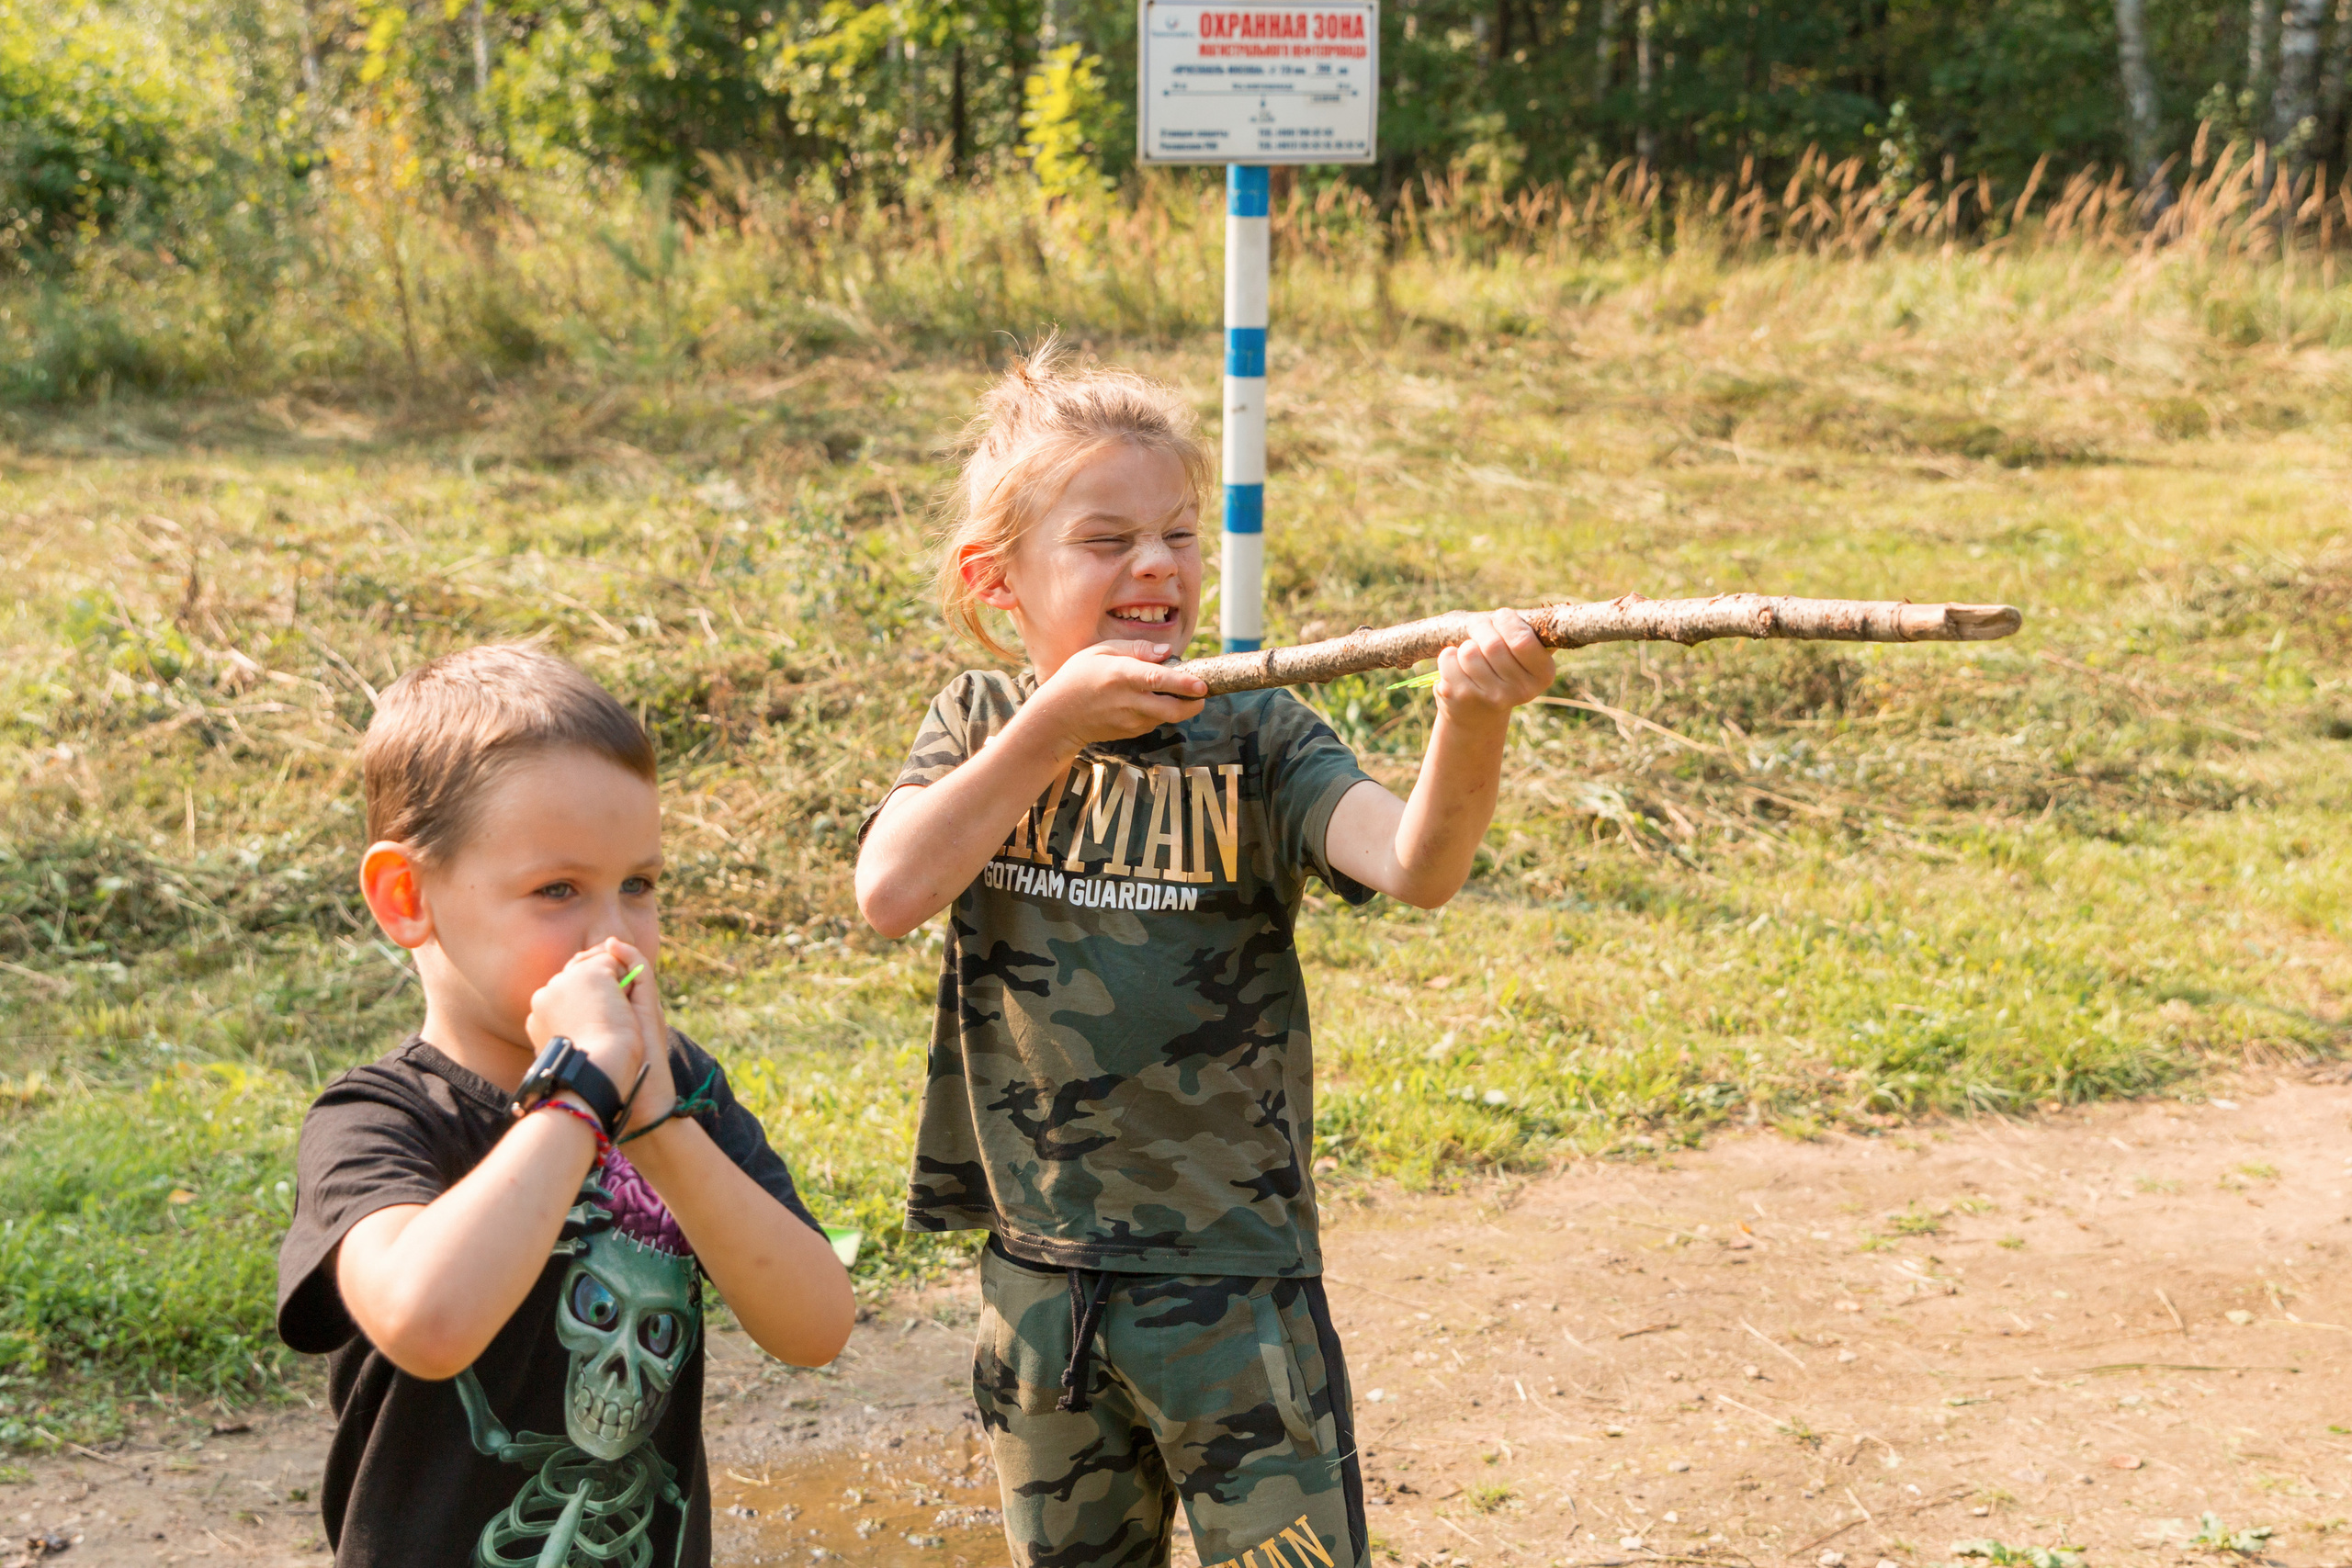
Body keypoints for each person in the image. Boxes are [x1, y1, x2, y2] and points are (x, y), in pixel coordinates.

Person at [855, 342, 1557, 1568]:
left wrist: (1472, 715)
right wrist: (1053, 723)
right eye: (1107, 537)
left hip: (1236, 1286)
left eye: (1180, 534)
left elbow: (1414, 862)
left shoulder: (1258, 732)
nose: (1157, 567)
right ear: (998, 581)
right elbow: (893, 888)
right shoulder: (979, 729)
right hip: (1042, 1279)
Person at [276, 645, 854, 1568]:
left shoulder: (677, 1089)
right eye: (558, 891)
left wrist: (659, 1132)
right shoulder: (381, 1117)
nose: (615, 935)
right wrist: (576, 1096)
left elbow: (816, 1325)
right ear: (407, 897)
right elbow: (427, 1323)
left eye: (639, 885)